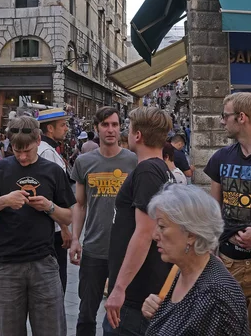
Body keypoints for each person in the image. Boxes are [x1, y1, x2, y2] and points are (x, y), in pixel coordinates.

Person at [0, 115, 76, 336]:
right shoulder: (0, 169)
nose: (21, 157)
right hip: (7, 265)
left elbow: (69, 217)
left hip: (44, 263)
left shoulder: (53, 171)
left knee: (51, 330)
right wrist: (5, 200)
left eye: (27, 151)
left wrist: (49, 207)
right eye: (16, 150)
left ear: (38, 140)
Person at [142, 184, 250, 336]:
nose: (155, 235)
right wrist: (156, 313)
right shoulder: (183, 271)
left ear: (191, 234)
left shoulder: (215, 296)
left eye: (162, 226)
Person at [104, 106, 175, 336]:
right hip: (143, 290)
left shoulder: (147, 171)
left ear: (137, 135)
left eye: (128, 127)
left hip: (136, 296)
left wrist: (119, 288)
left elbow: (144, 233)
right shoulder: (161, 169)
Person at [70, 107, 137, 336]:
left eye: (115, 125)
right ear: (96, 128)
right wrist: (75, 240)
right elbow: (80, 205)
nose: (110, 130)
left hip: (126, 251)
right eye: (105, 125)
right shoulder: (83, 162)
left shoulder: (133, 161)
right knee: (86, 312)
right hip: (94, 249)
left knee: (125, 312)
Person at [204, 92, 251, 335]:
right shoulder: (221, 158)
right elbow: (213, 211)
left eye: (225, 116)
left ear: (242, 117)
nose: (221, 121)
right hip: (228, 263)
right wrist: (208, 250)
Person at [37, 107, 72, 292]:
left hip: (50, 224)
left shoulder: (45, 149)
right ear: (50, 129)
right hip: (54, 227)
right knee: (58, 281)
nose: (66, 128)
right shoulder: (47, 152)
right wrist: (65, 228)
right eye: (63, 125)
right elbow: (54, 194)